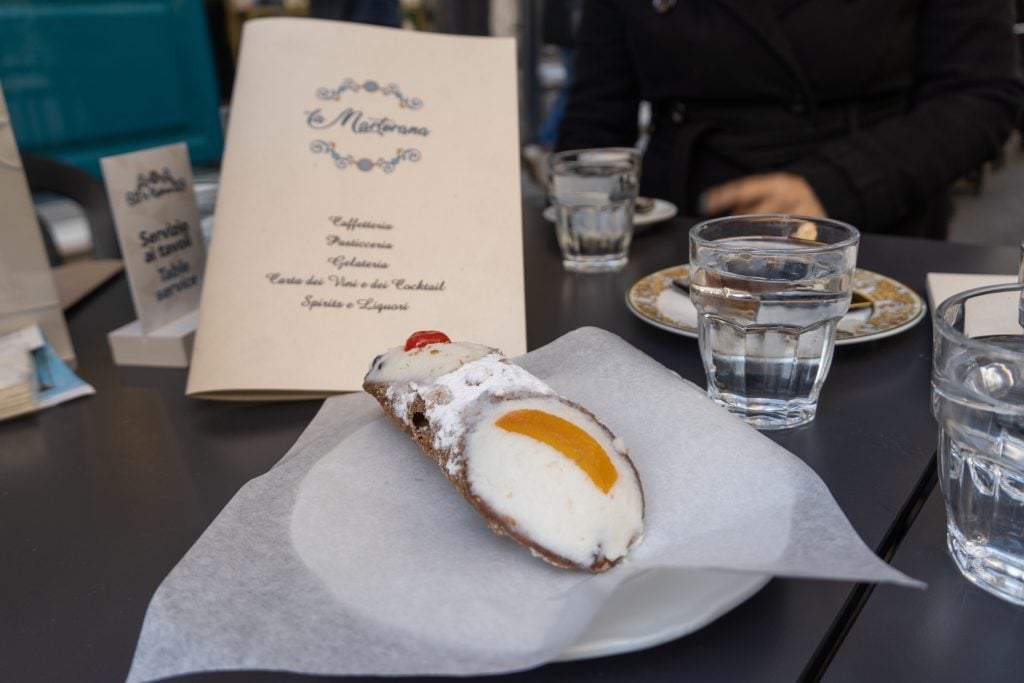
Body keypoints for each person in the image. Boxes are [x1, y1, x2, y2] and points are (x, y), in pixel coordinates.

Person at [556, 0, 1024, 238]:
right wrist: (580, 218)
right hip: (681, 237)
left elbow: (980, 95)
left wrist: (835, 184)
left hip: (875, 231)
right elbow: (597, 112)